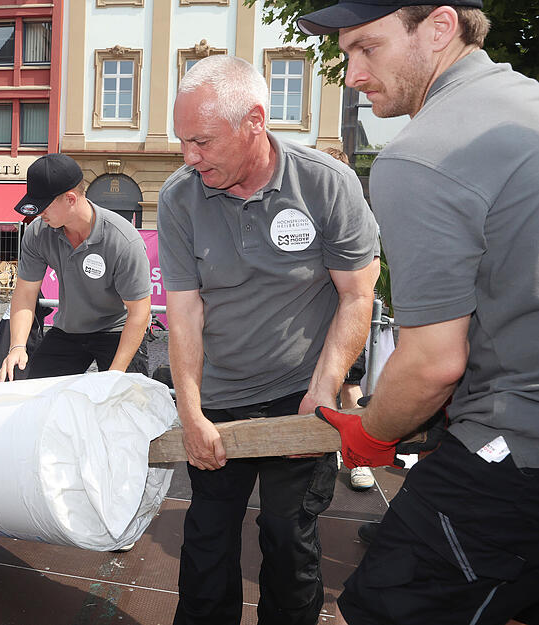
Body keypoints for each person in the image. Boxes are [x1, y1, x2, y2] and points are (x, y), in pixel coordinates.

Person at [297, 1, 539, 623]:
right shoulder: (526, 101)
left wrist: (373, 432)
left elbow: (432, 363)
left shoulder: (421, 154)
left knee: (384, 603)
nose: (351, 73)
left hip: (517, 444)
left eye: (367, 48)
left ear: (439, 27)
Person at [158, 55, 380, 625]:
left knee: (286, 536)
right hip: (220, 401)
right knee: (207, 539)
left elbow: (358, 296)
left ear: (255, 120)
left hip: (299, 393)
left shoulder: (328, 185)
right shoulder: (180, 197)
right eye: (183, 141)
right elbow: (183, 312)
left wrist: (326, 389)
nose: (190, 157)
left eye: (202, 141)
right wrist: (191, 412)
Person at [0, 154, 151, 382]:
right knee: (38, 391)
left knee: (125, 401)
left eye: (44, 206)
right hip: (69, 328)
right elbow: (25, 293)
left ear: (70, 199)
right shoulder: (38, 233)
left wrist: (115, 375)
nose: (39, 214)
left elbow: (139, 312)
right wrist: (17, 346)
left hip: (118, 327)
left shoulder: (123, 239)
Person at [321, 146, 377, 492]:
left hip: (345, 321)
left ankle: (359, 460)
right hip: (311, 327)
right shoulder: (307, 210)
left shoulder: (358, 216)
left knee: (349, 387)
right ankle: (334, 454)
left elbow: (365, 280)